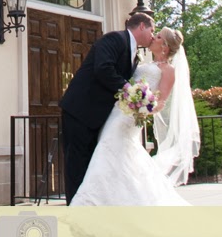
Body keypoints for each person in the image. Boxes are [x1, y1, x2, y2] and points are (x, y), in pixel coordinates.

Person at [68, 26, 200, 206]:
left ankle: (90, 203)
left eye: (158, 36)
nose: (154, 37)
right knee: (114, 155)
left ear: (165, 46)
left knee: (109, 149)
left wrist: (143, 104)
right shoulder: (143, 63)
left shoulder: (168, 70)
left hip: (130, 119)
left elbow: (160, 102)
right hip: (116, 113)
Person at [59, 11, 155, 204]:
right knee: (76, 164)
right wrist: (131, 91)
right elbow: (103, 69)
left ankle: (87, 209)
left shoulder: (135, 53)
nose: (153, 36)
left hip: (97, 116)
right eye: (153, 30)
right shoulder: (114, 39)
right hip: (80, 110)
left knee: (90, 165)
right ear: (142, 26)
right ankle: (75, 211)